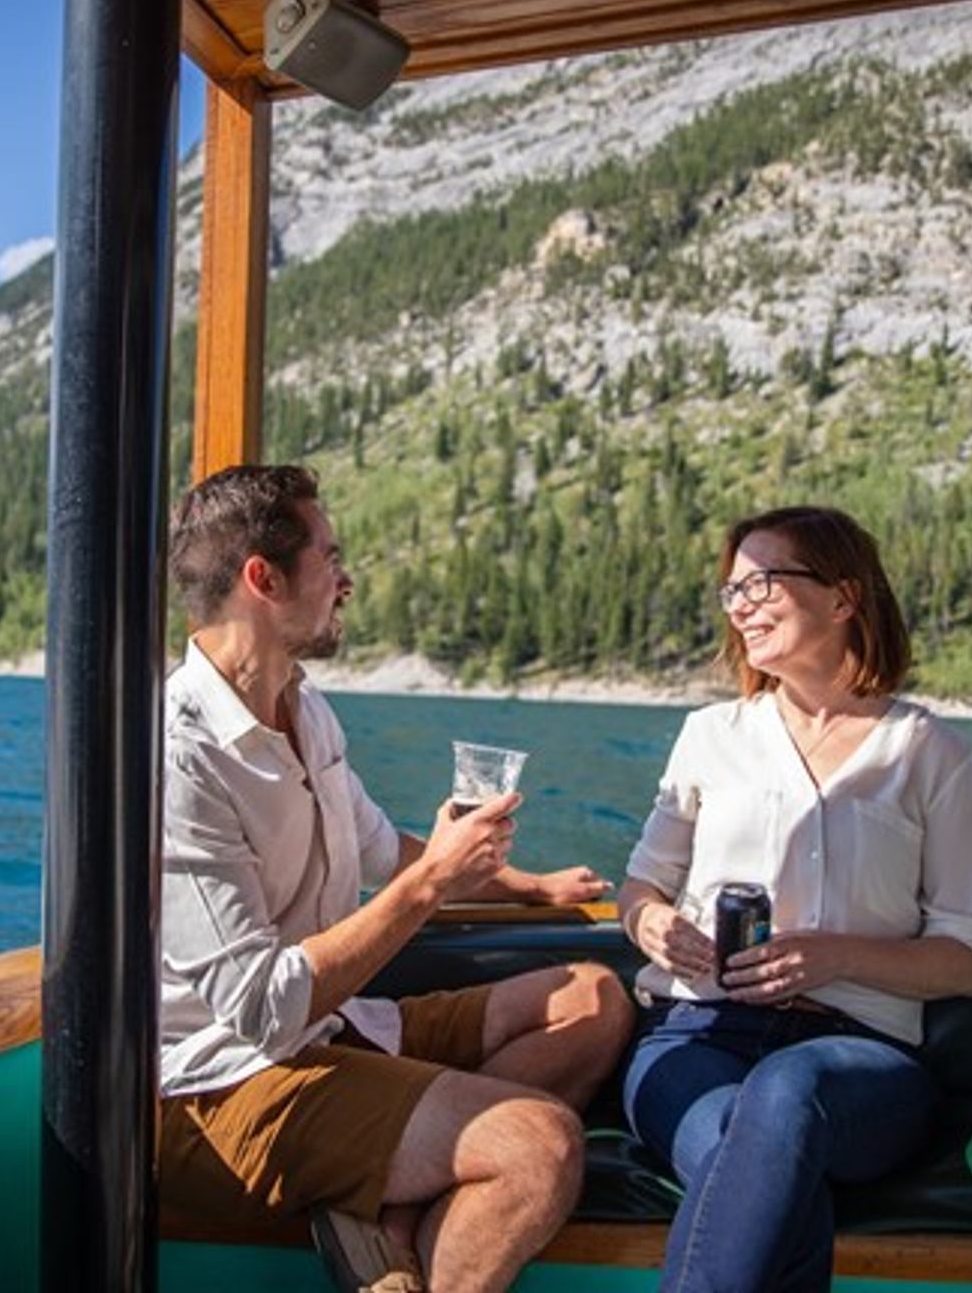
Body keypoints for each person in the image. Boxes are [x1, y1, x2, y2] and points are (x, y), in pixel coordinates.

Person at [160, 463, 633, 1293]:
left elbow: (384, 851)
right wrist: (431, 886)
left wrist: (524, 884)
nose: (346, 580)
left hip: (335, 1030)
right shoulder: (180, 757)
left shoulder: (304, 708)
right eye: (330, 557)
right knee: (540, 1147)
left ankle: (385, 1201)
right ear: (263, 578)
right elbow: (263, 1011)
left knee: (594, 998)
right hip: (219, 1085)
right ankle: (401, 1202)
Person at [618, 506, 972, 1293]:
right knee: (757, 1157)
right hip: (692, 1039)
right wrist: (657, 925)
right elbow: (639, 889)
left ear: (842, 597)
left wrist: (831, 957)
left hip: (857, 1057)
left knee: (783, 1095)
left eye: (763, 581)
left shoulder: (928, 753)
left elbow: (970, 960)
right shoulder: (709, 735)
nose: (741, 604)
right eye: (732, 590)